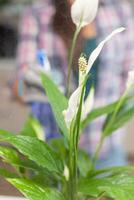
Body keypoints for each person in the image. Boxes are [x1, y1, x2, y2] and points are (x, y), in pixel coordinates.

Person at [79, 0, 134, 168]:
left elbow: (129, 69)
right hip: (59, 147)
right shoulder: (39, 12)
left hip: (106, 143)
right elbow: (25, 78)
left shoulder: (119, 9)